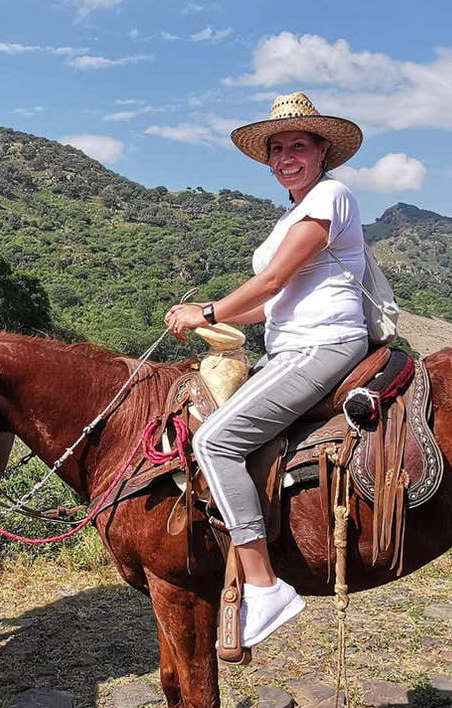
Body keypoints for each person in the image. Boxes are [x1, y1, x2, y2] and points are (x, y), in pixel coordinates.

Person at [164, 92, 370, 648]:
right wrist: (214, 317)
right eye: (276, 148)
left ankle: (264, 582)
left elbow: (274, 281)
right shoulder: (292, 215)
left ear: (323, 150)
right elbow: (266, 305)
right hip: (290, 345)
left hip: (322, 344)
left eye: (298, 145)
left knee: (214, 442)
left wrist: (205, 310)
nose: (285, 156)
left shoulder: (331, 195)